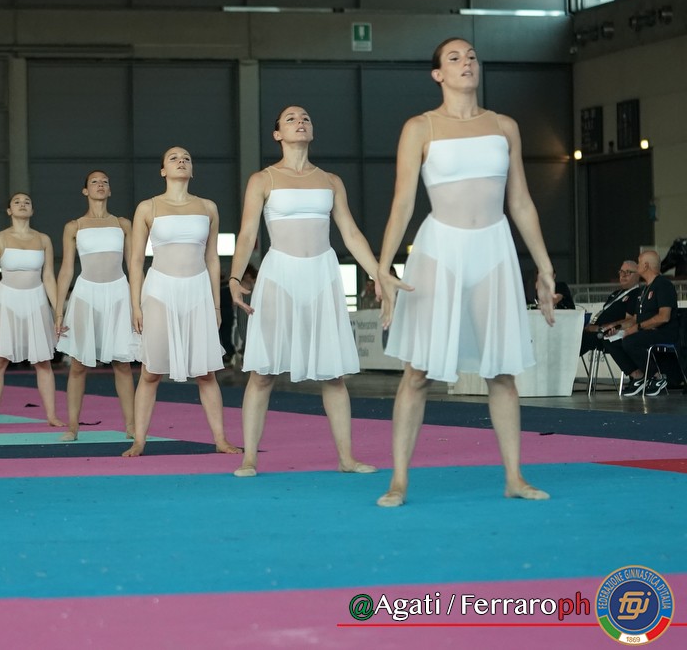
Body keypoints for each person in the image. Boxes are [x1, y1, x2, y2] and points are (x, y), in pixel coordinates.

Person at [376, 37, 557, 507]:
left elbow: (520, 201)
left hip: (494, 248)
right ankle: (398, 480)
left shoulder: (504, 126)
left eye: (472, 56)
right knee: (418, 372)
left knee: (503, 371)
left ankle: (514, 477)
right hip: (440, 250)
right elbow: (402, 202)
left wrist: (544, 266)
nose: (466, 63)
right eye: (454, 58)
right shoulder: (420, 127)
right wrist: (382, 266)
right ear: (437, 74)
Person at [228, 105, 379, 477]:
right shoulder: (263, 179)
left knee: (333, 374)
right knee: (263, 372)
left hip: (322, 275)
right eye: (291, 119)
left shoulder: (331, 181)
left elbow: (351, 232)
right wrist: (234, 278)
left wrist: (378, 274)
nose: (301, 121)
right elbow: (247, 234)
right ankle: (249, 458)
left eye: (306, 118)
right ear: (277, 134)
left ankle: (346, 458)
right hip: (279, 275)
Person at [121, 147, 242, 458]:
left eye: (186, 158)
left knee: (206, 372)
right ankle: (139, 440)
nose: (181, 161)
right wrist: (135, 305)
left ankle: (221, 439)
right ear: (163, 170)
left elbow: (212, 258)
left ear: (192, 169)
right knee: (151, 371)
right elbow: (136, 261)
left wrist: (216, 305)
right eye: (173, 158)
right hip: (160, 290)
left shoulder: (208, 207)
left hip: (198, 291)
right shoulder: (148, 207)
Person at [54, 170, 137, 441]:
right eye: (94, 182)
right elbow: (66, 270)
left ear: (110, 190)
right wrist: (59, 310)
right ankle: (72, 427)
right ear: (85, 191)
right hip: (86, 294)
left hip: (118, 292)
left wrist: (138, 303)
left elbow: (134, 265)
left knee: (122, 363)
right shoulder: (74, 226)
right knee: (78, 364)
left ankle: (131, 426)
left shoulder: (123, 224)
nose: (100, 185)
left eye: (105, 182)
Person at [0, 193, 67, 430]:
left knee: (43, 361)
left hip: (36, 300)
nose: (22, 204)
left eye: (27, 202)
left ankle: (51, 415)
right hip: (6, 300)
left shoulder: (43, 239)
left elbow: (48, 276)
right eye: (17, 202)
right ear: (9, 210)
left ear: (32, 210)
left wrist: (58, 311)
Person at [604, 250, 678, 396]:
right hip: (645, 331)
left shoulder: (663, 285)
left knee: (631, 341)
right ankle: (638, 376)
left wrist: (637, 328)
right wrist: (617, 327)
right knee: (611, 340)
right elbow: (635, 319)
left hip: (663, 332)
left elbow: (664, 317)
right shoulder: (644, 290)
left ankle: (656, 377)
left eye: (639, 263)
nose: (637, 265)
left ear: (646, 265)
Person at [581, 260, 640, 355]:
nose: (623, 275)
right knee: (573, 335)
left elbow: (630, 321)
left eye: (628, 272)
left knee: (578, 340)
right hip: (595, 330)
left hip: (608, 334)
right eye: (621, 272)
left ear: (638, 275)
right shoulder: (616, 293)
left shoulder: (636, 294)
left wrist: (600, 328)